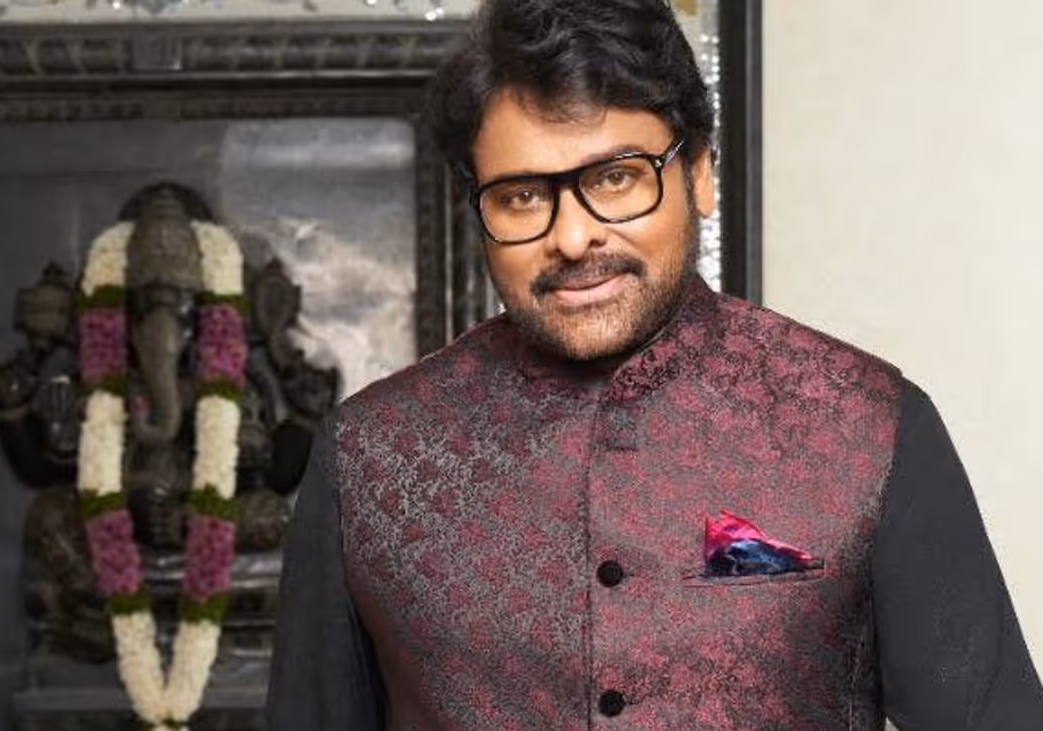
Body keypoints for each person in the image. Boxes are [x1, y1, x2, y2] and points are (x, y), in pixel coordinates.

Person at [265, 0, 1043, 727]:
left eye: (615, 178)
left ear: (698, 171)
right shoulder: (366, 459)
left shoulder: (868, 426)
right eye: (523, 196)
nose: (573, 237)